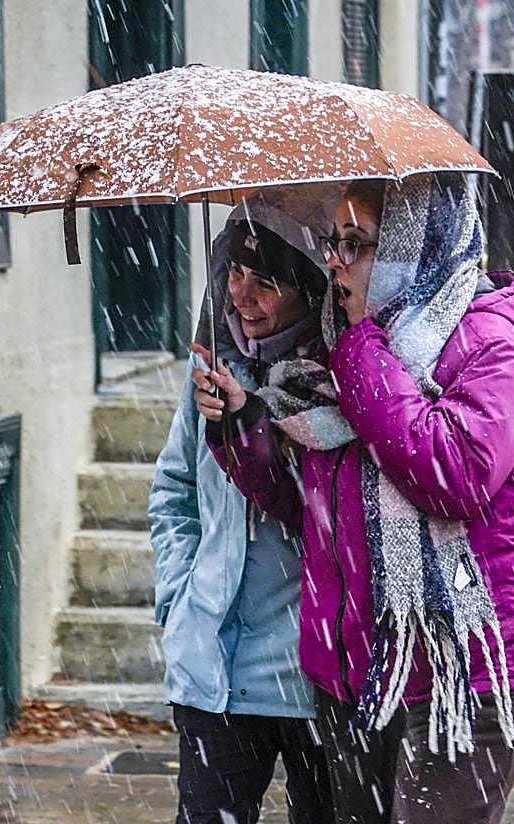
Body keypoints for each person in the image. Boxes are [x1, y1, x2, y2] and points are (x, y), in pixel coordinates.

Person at [192, 175, 514, 824]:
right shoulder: (345, 352)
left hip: (457, 673)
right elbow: (313, 514)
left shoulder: (487, 345)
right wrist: (238, 427)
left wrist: (360, 346)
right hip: (359, 674)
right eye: (335, 239)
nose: (334, 260)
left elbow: (452, 473)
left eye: (356, 243)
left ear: (415, 247)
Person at [149, 199, 336, 824]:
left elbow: (327, 511)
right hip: (213, 672)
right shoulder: (208, 372)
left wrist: (251, 420)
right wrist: (180, 598)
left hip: (310, 677)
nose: (242, 295)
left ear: (307, 290)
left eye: (267, 281)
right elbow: (174, 492)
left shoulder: (337, 381)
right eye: (235, 272)